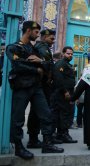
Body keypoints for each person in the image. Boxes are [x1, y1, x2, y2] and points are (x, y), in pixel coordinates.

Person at [6, 21, 64, 160]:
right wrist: (36, 68)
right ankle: (19, 147)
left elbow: (47, 64)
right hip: (22, 86)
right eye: (36, 32)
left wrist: (40, 63)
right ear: (28, 31)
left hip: (36, 87)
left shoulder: (34, 49)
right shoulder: (13, 47)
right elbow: (18, 65)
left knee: (46, 114)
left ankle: (47, 144)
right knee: (18, 118)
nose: (38, 35)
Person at [26, 29, 61, 148]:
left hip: (41, 84)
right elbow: (49, 64)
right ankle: (45, 140)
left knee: (35, 113)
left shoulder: (42, 47)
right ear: (44, 37)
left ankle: (34, 139)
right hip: (42, 85)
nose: (53, 40)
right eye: (51, 38)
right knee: (44, 113)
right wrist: (43, 62)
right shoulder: (42, 47)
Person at [52, 46, 77, 143]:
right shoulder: (61, 64)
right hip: (62, 94)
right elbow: (58, 79)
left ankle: (62, 134)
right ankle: (63, 135)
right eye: (68, 53)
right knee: (63, 114)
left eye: (71, 54)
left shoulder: (67, 64)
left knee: (65, 114)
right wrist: (65, 91)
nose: (70, 55)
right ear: (63, 54)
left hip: (68, 93)